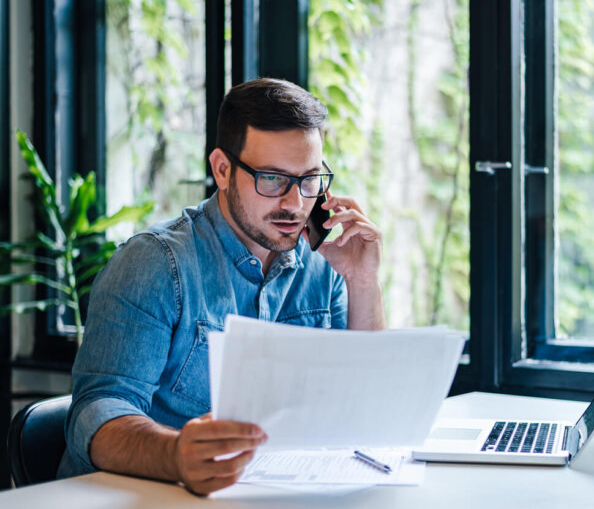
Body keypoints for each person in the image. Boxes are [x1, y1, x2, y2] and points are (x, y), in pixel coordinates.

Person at [57, 78, 386, 495]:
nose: (294, 203)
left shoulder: (323, 264)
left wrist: (362, 280)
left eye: (309, 180)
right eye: (271, 179)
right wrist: (175, 454)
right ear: (223, 169)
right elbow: (97, 412)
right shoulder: (155, 264)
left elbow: (369, 410)